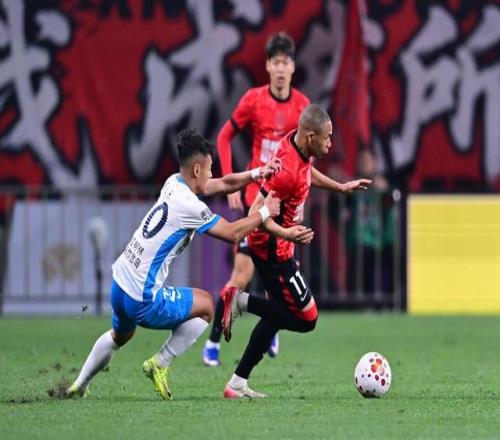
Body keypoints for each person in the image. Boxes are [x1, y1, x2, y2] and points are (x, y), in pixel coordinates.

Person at [65, 128, 289, 400]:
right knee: (206, 306)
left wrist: (257, 173)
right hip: (142, 296)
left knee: (119, 336)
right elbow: (232, 233)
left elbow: (221, 184)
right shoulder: (190, 206)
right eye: (209, 168)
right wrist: (265, 212)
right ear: (197, 169)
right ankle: (160, 363)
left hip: (120, 283)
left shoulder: (174, 182)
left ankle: (79, 385)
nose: (211, 174)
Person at [220, 104, 373, 398]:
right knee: (307, 319)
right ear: (311, 136)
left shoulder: (298, 146)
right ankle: (240, 301)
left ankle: (237, 383)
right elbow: (255, 212)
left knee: (276, 316)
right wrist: (286, 233)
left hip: (282, 248)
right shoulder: (285, 171)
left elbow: (308, 173)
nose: (330, 143)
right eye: (327, 137)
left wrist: (341, 188)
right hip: (272, 252)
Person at [202, 31, 310, 366]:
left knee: (280, 278)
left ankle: (270, 329)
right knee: (242, 273)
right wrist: (232, 185)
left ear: (293, 67)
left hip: (285, 206)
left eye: (285, 62)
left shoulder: (302, 106)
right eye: (275, 62)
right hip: (256, 202)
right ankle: (213, 343)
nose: (280, 69)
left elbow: (308, 157)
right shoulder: (254, 100)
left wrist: (302, 198)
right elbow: (224, 136)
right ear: (267, 66)